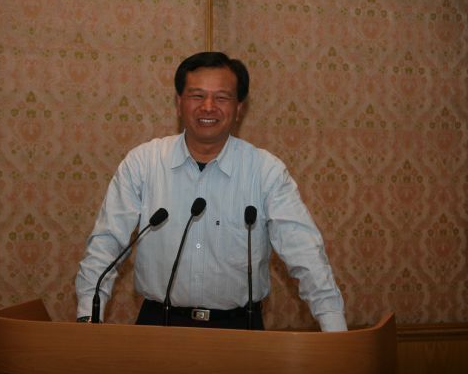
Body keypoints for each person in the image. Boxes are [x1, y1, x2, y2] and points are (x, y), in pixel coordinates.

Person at [75, 51, 347, 331]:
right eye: (197, 96)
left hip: (239, 328)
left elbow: (304, 253)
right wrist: (87, 316)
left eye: (221, 98)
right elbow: (106, 244)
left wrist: (334, 329)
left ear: (239, 108)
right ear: (179, 103)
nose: (208, 107)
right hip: (158, 325)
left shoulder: (266, 171)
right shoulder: (143, 163)